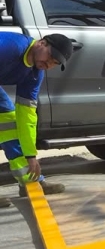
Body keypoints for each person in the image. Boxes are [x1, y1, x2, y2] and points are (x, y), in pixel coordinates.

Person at [0, 33, 74, 208]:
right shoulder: (10, 48)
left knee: (9, 123)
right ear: (41, 43)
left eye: (54, 63)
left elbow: (26, 117)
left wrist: (31, 156)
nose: (49, 64)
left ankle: (30, 181)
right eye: (50, 56)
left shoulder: (34, 74)